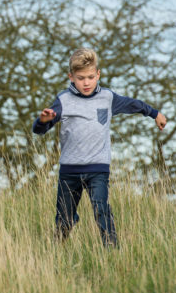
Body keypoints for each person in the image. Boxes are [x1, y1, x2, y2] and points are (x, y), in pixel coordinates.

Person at [32, 48, 167, 248]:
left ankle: (112, 251)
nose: (86, 83)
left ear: (98, 74)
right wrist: (43, 120)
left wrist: (154, 113)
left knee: (101, 209)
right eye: (80, 78)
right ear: (71, 77)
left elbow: (133, 104)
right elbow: (39, 130)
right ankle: (55, 251)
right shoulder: (63, 100)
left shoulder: (108, 98)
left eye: (90, 77)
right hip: (69, 170)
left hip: (98, 168)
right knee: (64, 219)